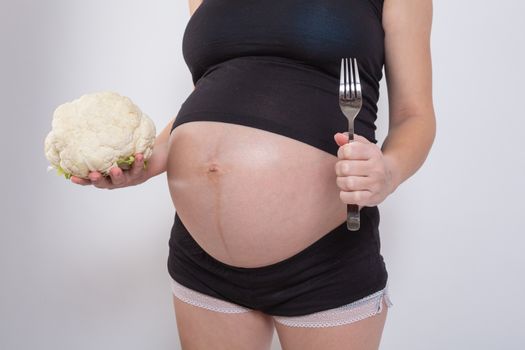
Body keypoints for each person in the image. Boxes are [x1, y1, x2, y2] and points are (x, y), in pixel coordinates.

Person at [72, 0, 435, 348]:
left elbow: (414, 115)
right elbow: (214, 88)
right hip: (200, 260)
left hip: (324, 260)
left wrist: (389, 171)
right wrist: (150, 159)